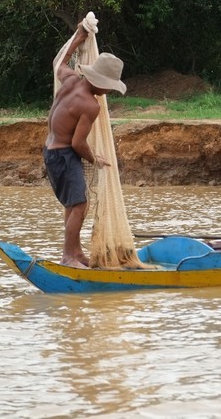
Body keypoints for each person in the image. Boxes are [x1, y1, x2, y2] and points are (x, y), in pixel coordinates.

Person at [43, 23, 127, 268]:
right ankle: (68, 256)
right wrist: (95, 159)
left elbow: (60, 62)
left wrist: (79, 37)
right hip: (64, 155)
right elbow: (78, 143)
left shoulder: (69, 80)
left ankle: (76, 252)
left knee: (74, 203)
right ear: (99, 82)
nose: (108, 92)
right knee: (80, 205)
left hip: (51, 152)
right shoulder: (90, 105)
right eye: (109, 87)